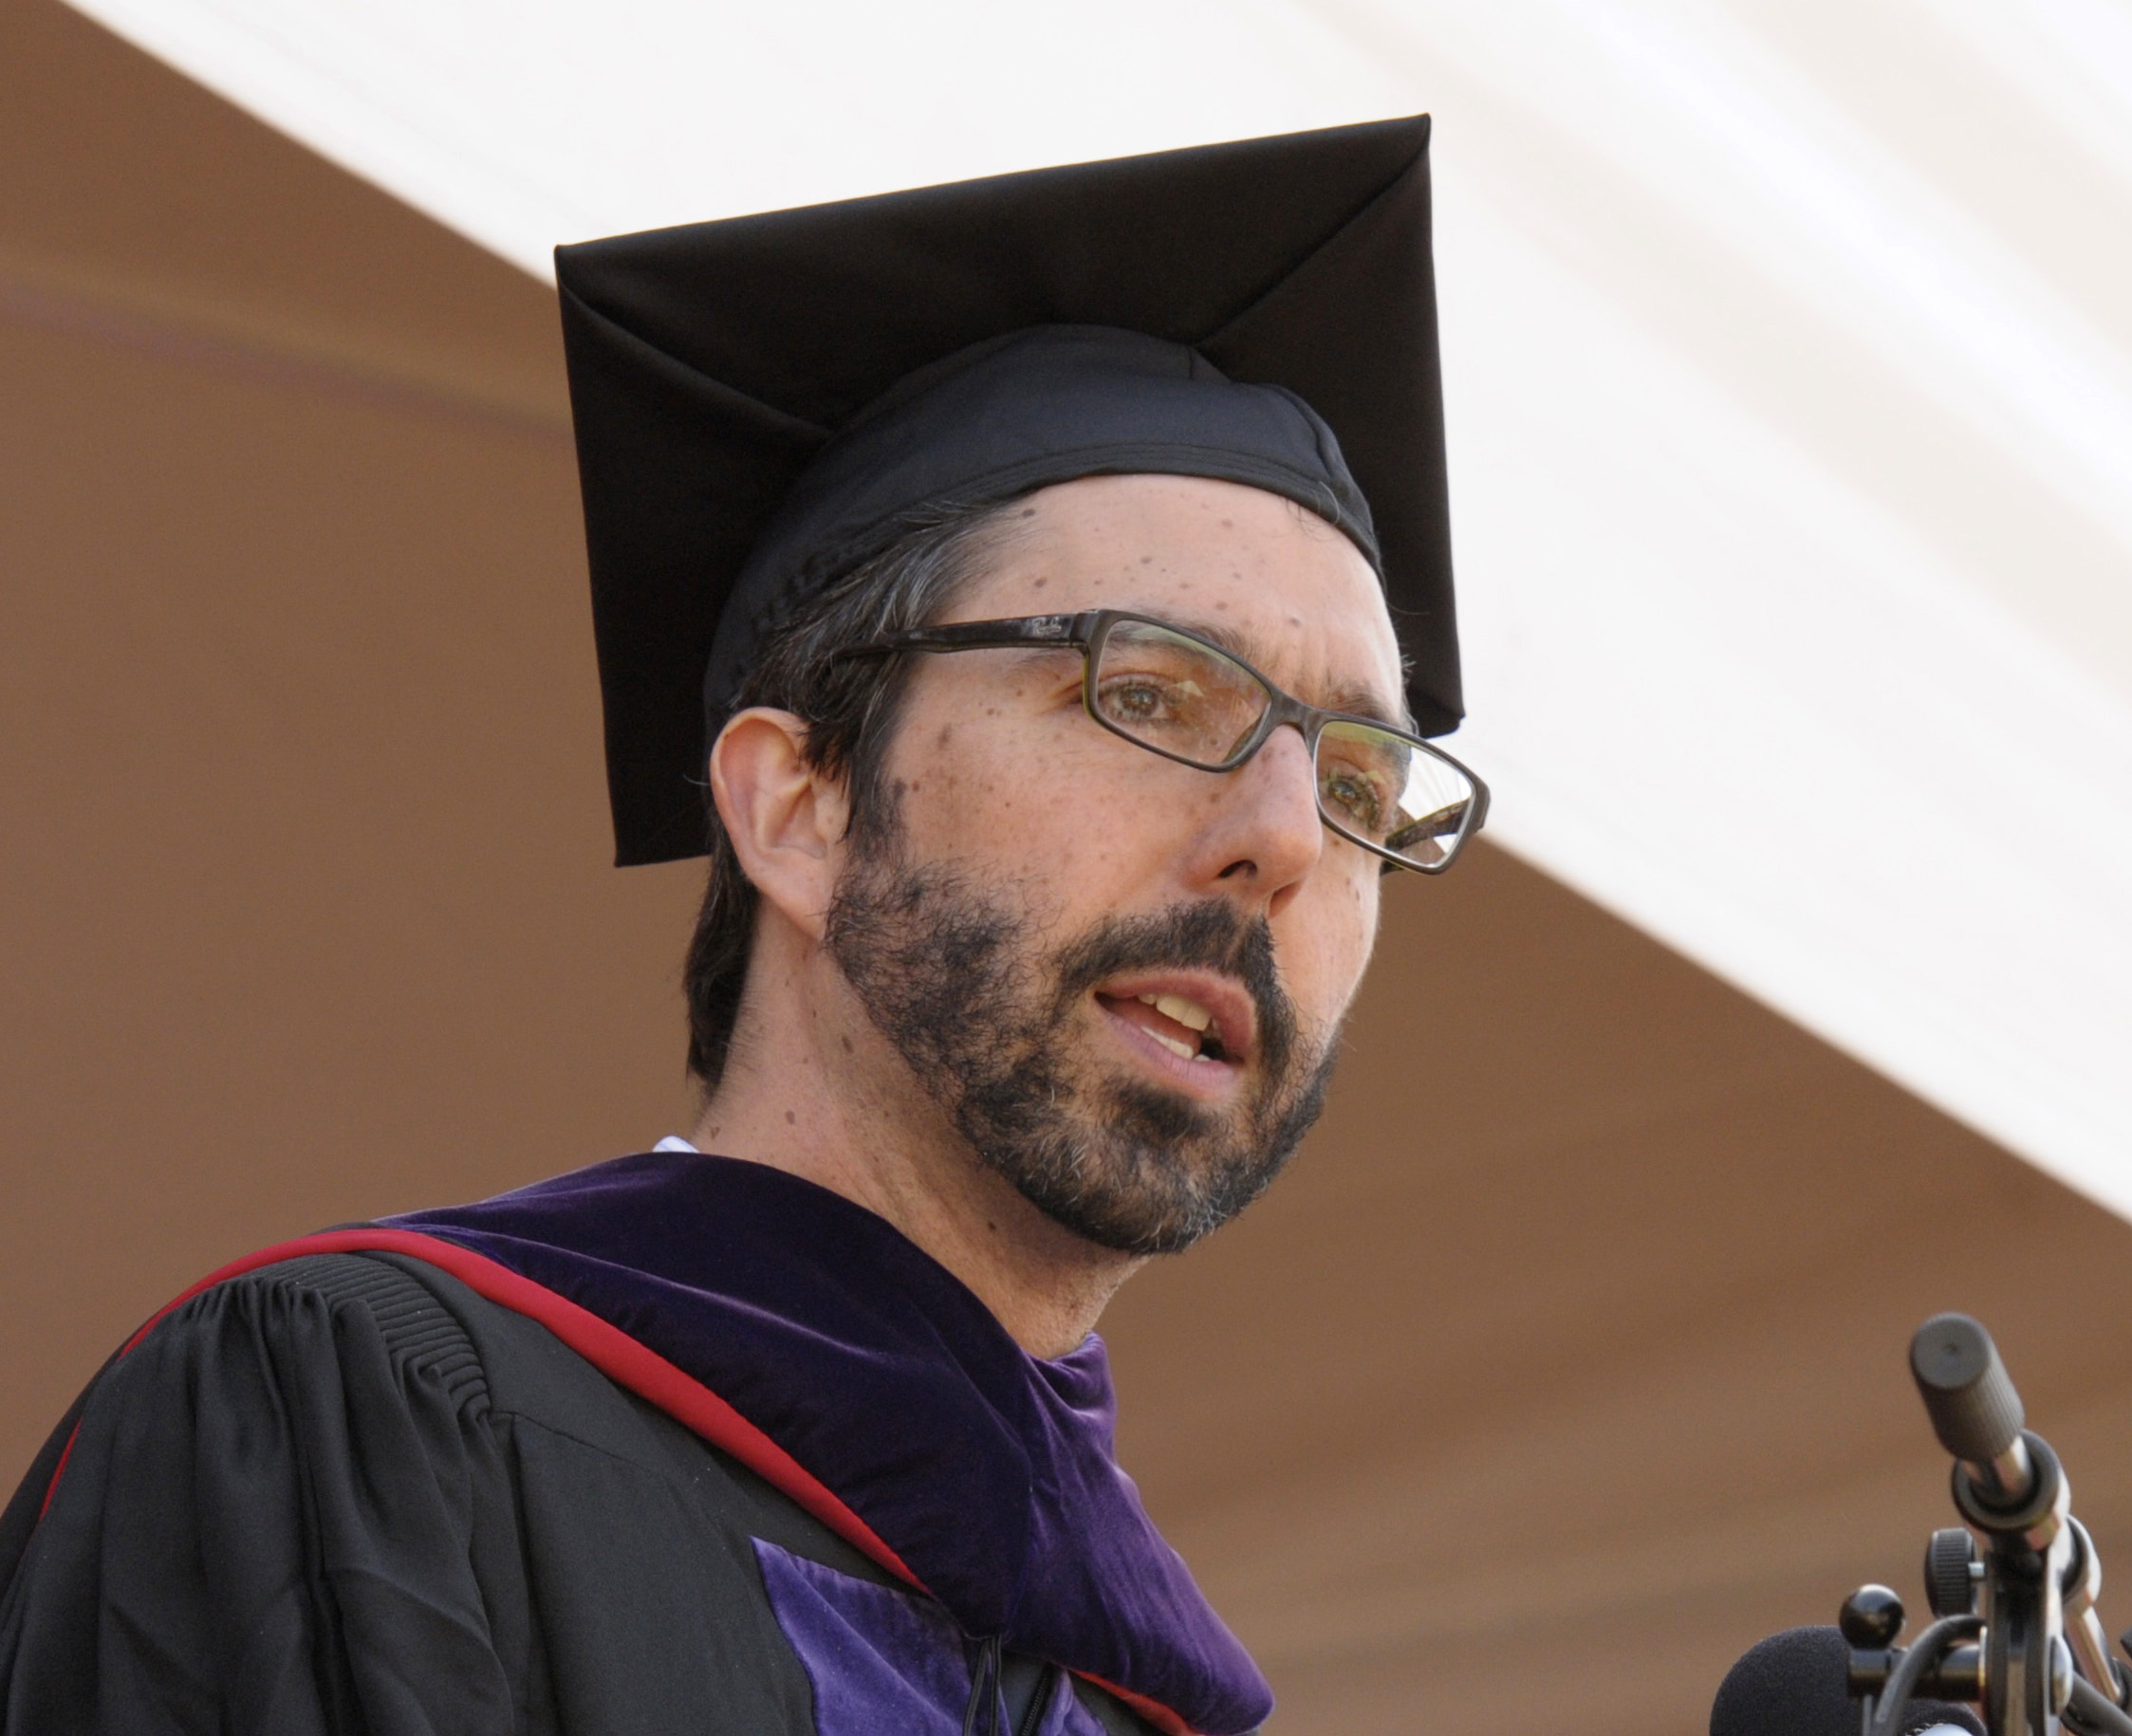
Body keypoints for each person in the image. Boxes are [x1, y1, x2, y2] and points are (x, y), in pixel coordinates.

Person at [0, 117, 1487, 1736]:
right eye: (1145, 688)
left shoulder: (1144, 1699)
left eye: (1361, 780)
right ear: (801, 804)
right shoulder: (357, 1428)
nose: (1281, 837)